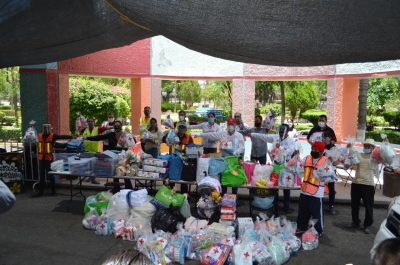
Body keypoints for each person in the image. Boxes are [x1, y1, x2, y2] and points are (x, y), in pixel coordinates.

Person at [248, 124, 296, 213]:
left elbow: (290, 151)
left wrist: (280, 147)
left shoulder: (291, 141)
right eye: (280, 130)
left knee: (286, 185)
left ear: (287, 131)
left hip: (286, 166)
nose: (281, 132)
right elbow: (264, 136)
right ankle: (273, 202)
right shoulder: (276, 137)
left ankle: (286, 205)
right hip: (275, 165)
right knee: (274, 183)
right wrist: (253, 134)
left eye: (283, 130)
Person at [195, 118, 245, 196]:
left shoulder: (239, 136)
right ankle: (223, 196)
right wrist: (201, 134)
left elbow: (242, 147)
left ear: (235, 125)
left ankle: (235, 197)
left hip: (234, 160)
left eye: (232, 124)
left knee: (234, 178)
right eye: (229, 124)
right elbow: (211, 135)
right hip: (224, 160)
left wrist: (236, 152)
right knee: (224, 178)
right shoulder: (222, 134)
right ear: (227, 125)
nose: (230, 126)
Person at [85, 120, 136, 193]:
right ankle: (116, 188)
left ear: (121, 127)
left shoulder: (125, 134)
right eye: (115, 126)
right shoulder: (110, 134)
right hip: (113, 156)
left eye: (118, 126)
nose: (117, 127)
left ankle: (129, 188)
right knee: (115, 172)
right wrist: (87, 138)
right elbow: (99, 137)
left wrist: (129, 134)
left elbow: (133, 141)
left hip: (123, 157)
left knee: (125, 172)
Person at [296, 141, 334, 236]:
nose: (313, 151)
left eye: (316, 150)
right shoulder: (307, 158)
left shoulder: (325, 160)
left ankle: (318, 231)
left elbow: (329, 175)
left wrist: (332, 162)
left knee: (317, 214)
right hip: (304, 191)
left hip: (317, 193)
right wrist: (295, 157)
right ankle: (301, 227)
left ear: (321, 152)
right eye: (312, 149)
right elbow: (299, 168)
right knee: (303, 212)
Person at [347, 138, 381, 234]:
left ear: (373, 148)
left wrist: (385, 142)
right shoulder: (359, 155)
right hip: (356, 183)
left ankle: (367, 225)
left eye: (368, 146)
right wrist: (349, 148)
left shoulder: (375, 158)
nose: (366, 147)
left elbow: (385, 158)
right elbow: (351, 162)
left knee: (368, 206)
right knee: (354, 205)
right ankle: (355, 222)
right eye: (365, 146)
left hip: (368, 185)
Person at [33, 124, 73, 197]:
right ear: (43, 128)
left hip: (49, 158)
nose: (46, 129)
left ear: (50, 129)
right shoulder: (40, 135)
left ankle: (53, 192)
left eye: (47, 128)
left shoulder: (53, 136)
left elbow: (62, 136)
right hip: (41, 158)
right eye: (45, 128)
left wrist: (71, 136)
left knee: (51, 175)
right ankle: (40, 192)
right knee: (41, 176)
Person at [162, 121, 194, 194]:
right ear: (178, 128)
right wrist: (169, 131)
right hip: (173, 160)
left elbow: (192, 148)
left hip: (184, 160)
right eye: (180, 127)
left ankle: (184, 197)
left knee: (183, 180)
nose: (181, 129)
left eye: (183, 127)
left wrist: (183, 150)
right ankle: (169, 196)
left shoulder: (189, 137)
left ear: (186, 129)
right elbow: (164, 140)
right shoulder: (173, 135)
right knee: (172, 179)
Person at [81, 117, 109, 184]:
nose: (90, 122)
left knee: (95, 164)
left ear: (94, 122)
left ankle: (94, 178)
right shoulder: (84, 130)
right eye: (89, 121)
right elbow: (79, 131)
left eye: (91, 121)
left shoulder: (97, 129)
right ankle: (89, 177)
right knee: (88, 164)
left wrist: (112, 126)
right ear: (87, 122)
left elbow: (105, 128)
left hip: (96, 149)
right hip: (87, 149)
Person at [322, 130, 340, 214]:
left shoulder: (334, 148)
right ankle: (320, 204)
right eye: (323, 136)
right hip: (321, 170)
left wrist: (332, 159)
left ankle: (331, 205)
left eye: (326, 136)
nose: (324, 138)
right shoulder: (321, 146)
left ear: (330, 138)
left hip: (330, 170)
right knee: (320, 187)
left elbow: (337, 159)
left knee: (331, 189)